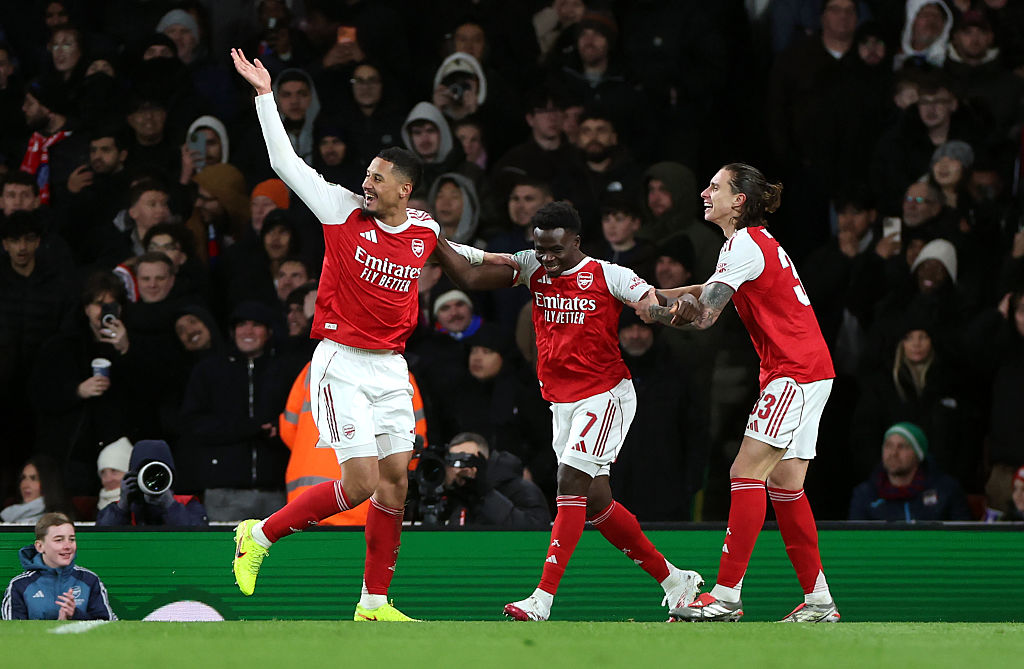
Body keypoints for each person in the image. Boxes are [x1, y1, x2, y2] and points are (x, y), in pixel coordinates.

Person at [228, 49, 441, 622]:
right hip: (341, 362)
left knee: (395, 484)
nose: (365, 184)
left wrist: (517, 263)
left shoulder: (424, 230)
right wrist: (265, 96)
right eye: (366, 175)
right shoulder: (340, 210)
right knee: (361, 482)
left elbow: (459, 255)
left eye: (377, 179)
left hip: (390, 366)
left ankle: (374, 603)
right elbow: (285, 163)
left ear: (405, 191)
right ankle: (258, 535)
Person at [433, 201, 703, 622]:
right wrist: (433, 240)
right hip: (562, 401)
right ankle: (674, 580)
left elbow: (651, 306)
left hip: (605, 394)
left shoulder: (609, 275)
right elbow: (469, 274)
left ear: (576, 241)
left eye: (556, 250)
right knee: (595, 502)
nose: (548, 259)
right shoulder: (532, 267)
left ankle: (542, 599)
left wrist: (676, 311)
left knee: (569, 482)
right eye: (541, 249)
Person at [648, 163, 839, 623]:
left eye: (715, 187)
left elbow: (705, 315)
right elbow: (707, 289)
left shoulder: (743, 246)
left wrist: (656, 312)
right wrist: (653, 294)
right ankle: (819, 602)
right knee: (785, 485)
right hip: (808, 369)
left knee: (744, 472)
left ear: (739, 201)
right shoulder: (751, 243)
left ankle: (726, 596)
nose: (704, 193)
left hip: (794, 372)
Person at [848, 421, 972, 521]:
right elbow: (856, 540)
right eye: (888, 445)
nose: (893, 453)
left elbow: (964, 536)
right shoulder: (865, 495)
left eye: (902, 447)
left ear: (918, 454)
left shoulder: (946, 490)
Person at [1, 512, 116, 620]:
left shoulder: (89, 580)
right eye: (59, 540)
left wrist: (75, 615)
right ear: (40, 546)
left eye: (72, 539)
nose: (67, 546)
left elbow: (110, 626)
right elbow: (12, 631)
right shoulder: (19, 585)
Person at [435, 432, 550, 529]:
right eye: (454, 462)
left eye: (467, 460)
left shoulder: (521, 489)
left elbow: (536, 531)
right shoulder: (457, 497)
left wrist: (487, 494)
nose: (460, 468)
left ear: (484, 460)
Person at [95, 439, 207, 526]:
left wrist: (170, 506)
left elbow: (198, 538)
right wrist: (122, 505)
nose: (151, 482)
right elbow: (101, 540)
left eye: (159, 477)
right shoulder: (125, 508)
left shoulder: (187, 504)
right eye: (144, 475)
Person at [1, 457, 69, 524]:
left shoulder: (58, 520)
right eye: (23, 478)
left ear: (48, 483)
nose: (25, 485)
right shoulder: (9, 515)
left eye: (33, 479)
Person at [95, 437, 132, 512]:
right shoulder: (94, 509)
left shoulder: (141, 508)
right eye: (103, 473)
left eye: (114, 471)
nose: (108, 479)